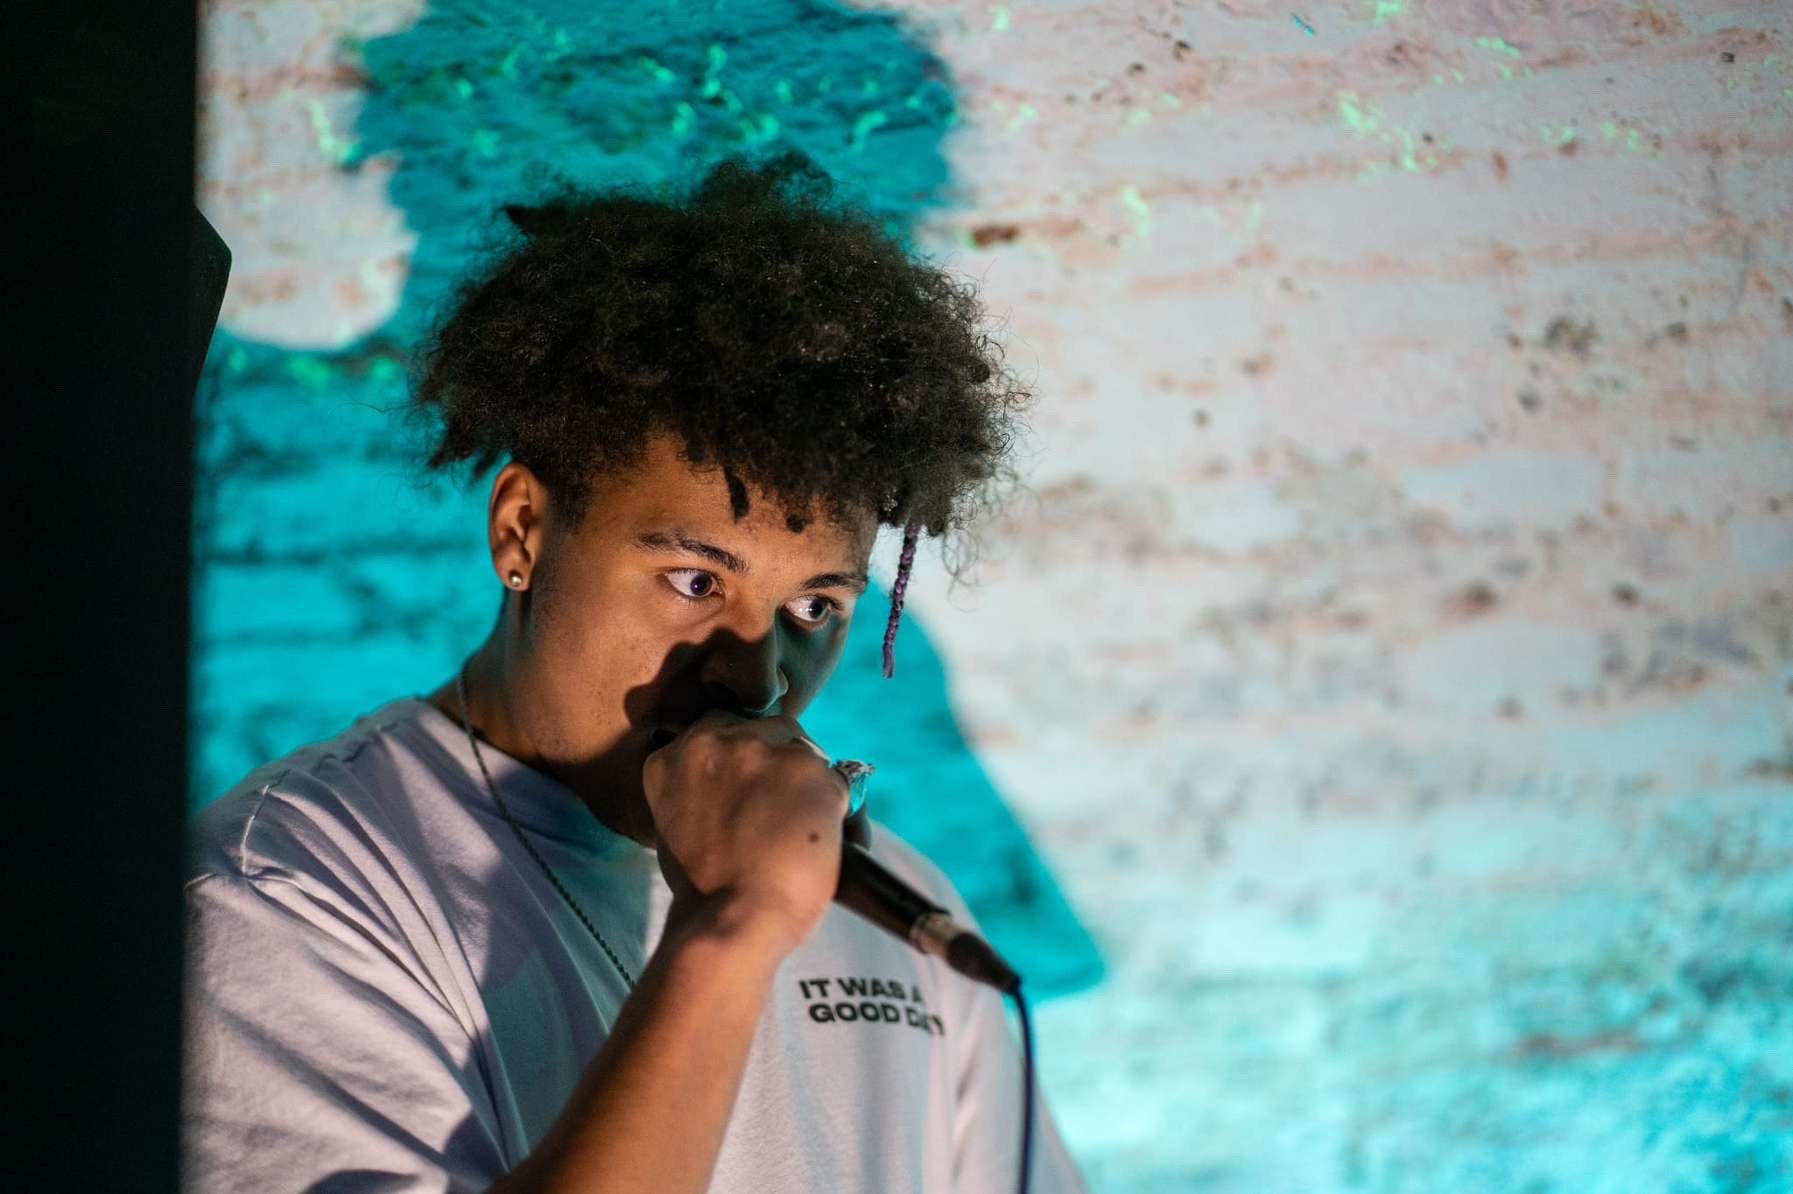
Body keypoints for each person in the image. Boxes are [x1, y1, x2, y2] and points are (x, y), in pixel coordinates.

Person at [181, 152, 1088, 1193]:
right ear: (523, 530)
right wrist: (734, 928)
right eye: (695, 582)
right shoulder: (286, 899)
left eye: (814, 608)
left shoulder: (908, 910)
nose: (753, 680)